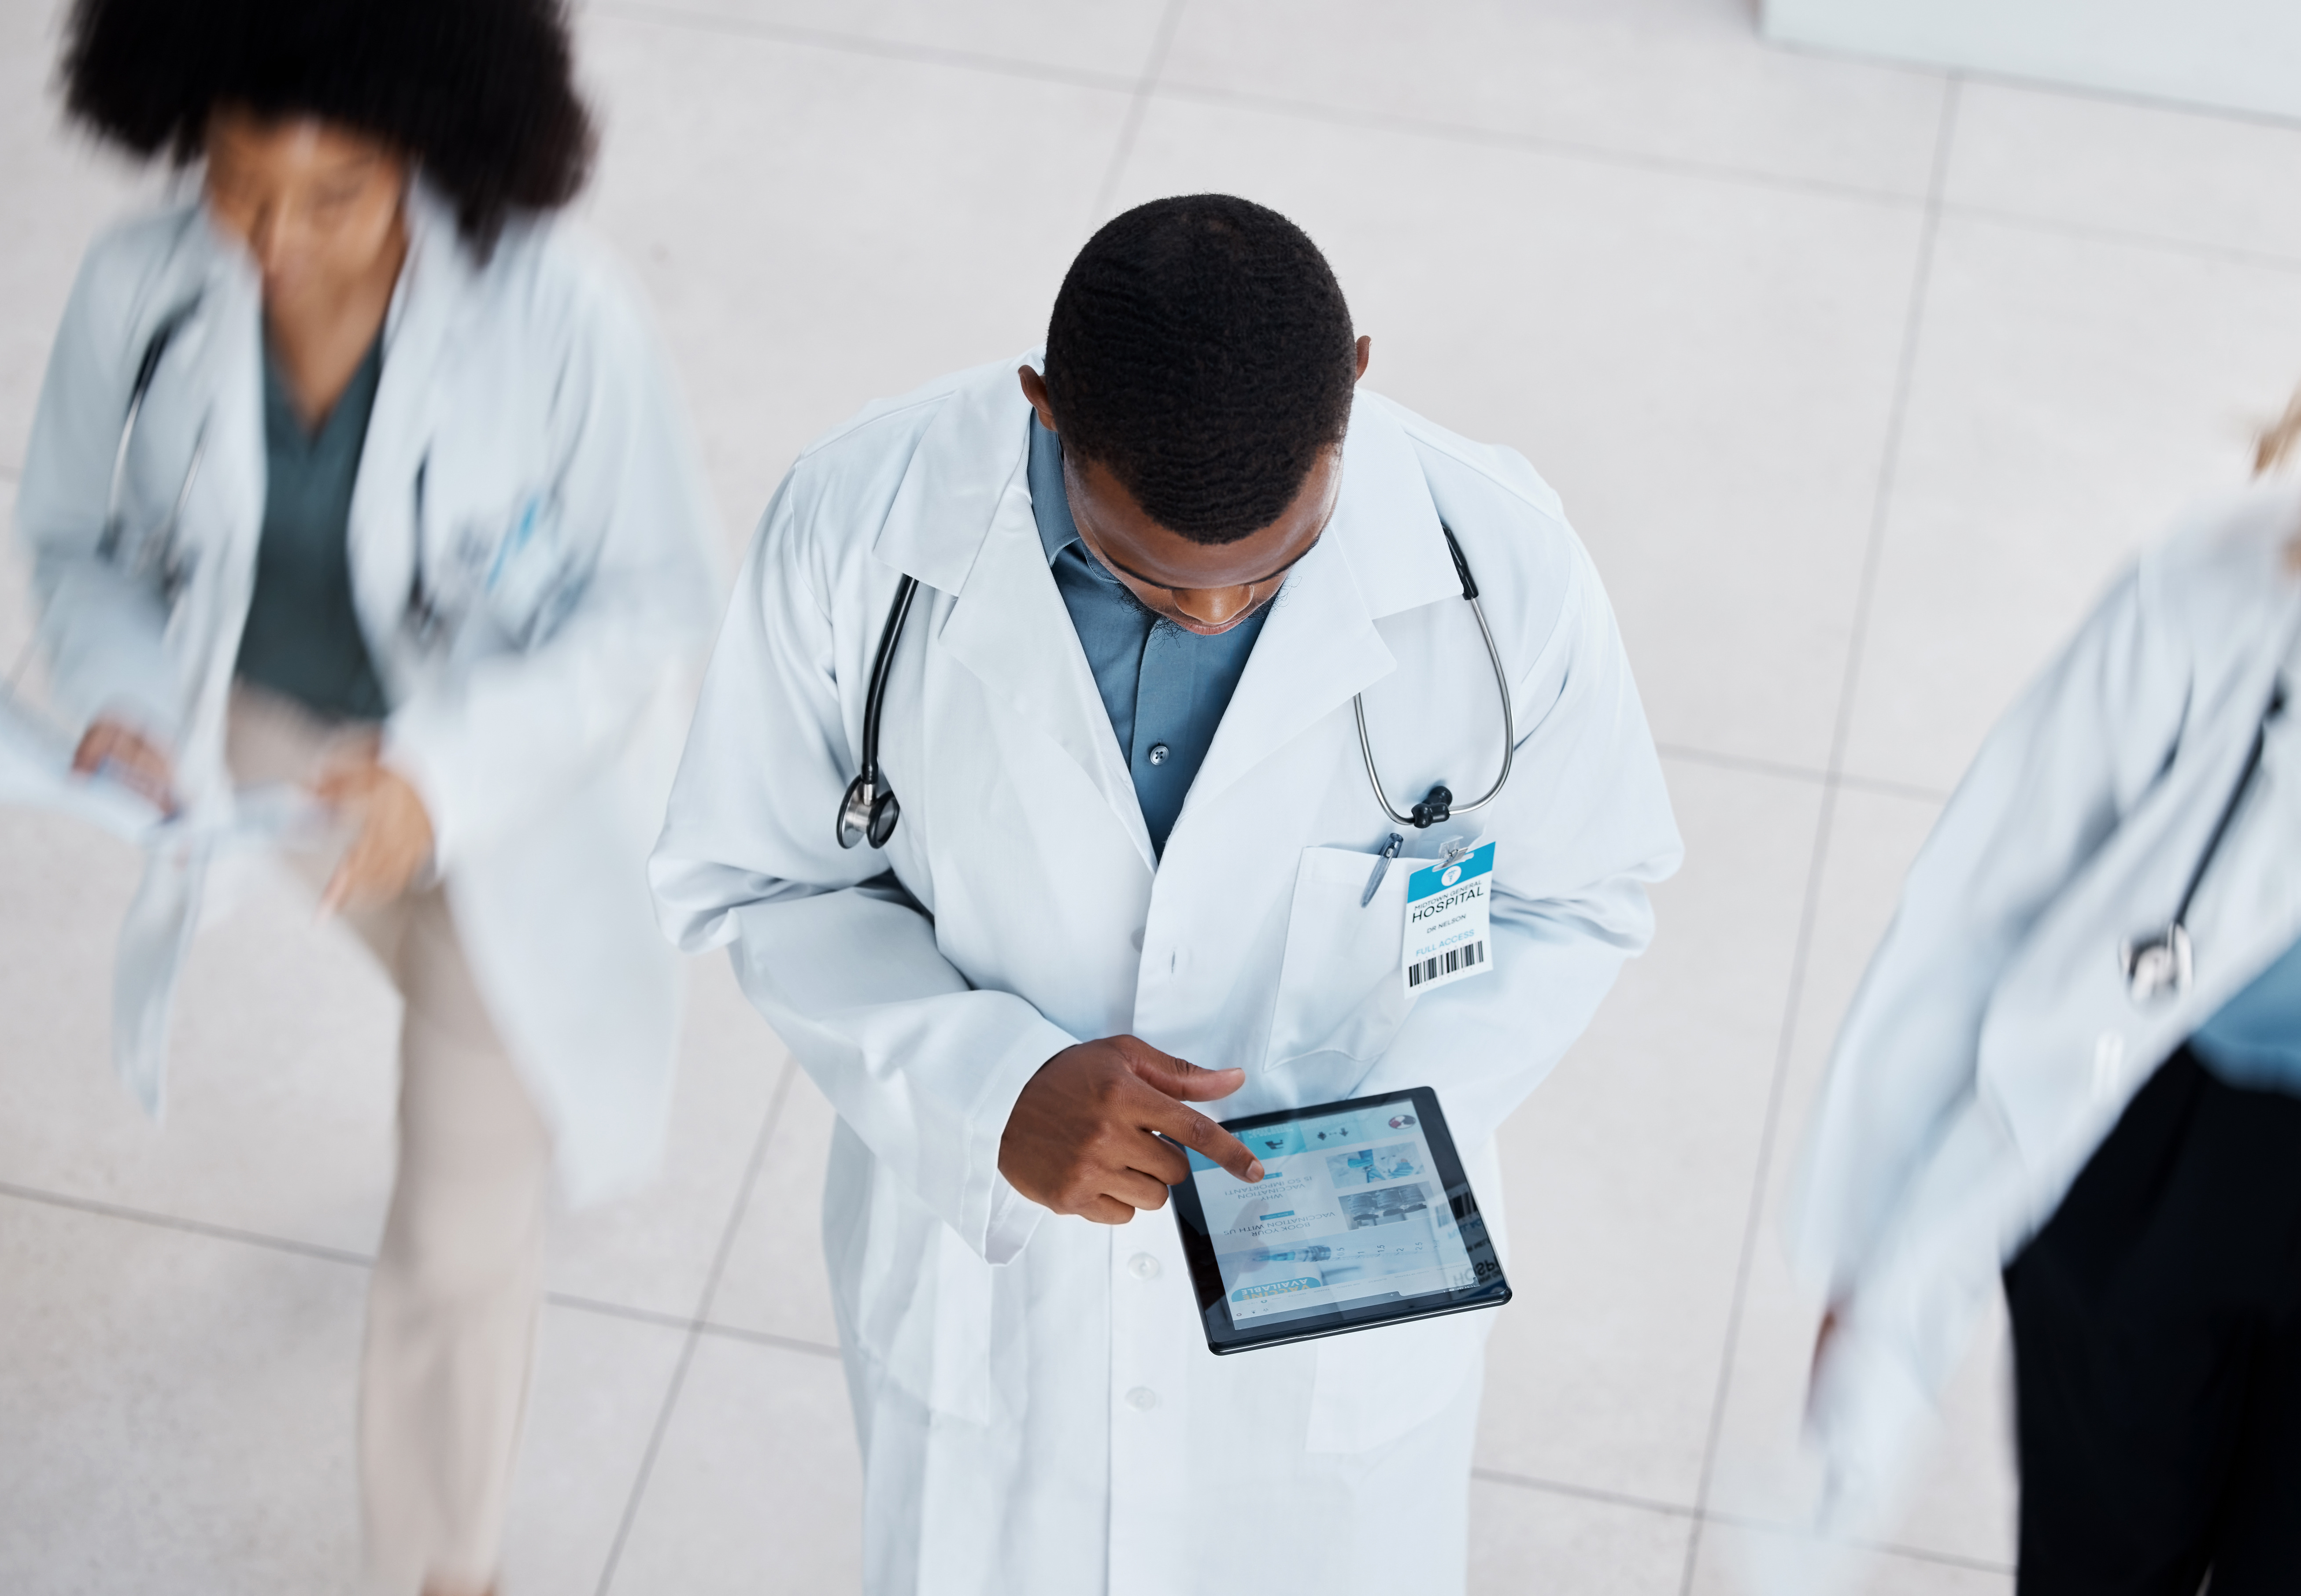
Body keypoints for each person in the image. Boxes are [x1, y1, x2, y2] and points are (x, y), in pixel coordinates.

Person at [651, 194, 1681, 1593]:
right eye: (1145, 574)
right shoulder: (863, 526)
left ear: (1353, 396)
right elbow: (766, 872)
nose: (1209, 612)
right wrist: (985, 1093)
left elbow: (1583, 894)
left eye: (1273, 569)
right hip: (997, 1308)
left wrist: (1371, 1154)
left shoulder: (1499, 568)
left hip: (1333, 1330)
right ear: (1044, 412)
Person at [22, 2, 720, 1590]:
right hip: (258, 736)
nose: (272, 239)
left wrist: (440, 778)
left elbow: (653, 600)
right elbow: (70, 539)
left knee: (463, 1214)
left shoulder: (561, 317)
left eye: (331, 197)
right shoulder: (141, 287)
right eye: (238, 183)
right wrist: (134, 704)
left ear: (431, 155)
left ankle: (437, 1571)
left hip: (512, 776)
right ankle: (526, 1054)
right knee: (487, 1019)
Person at [1790, 375, 2301, 1592]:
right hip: (2158, 1148)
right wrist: (1876, 1238)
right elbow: (1982, 906)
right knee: (2103, 1558)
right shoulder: (2224, 584)